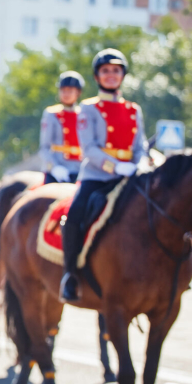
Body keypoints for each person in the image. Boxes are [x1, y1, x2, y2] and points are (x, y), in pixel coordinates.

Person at [60, 49, 147, 302]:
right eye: (105, 71)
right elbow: (89, 148)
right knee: (74, 214)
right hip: (98, 176)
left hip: (131, 176)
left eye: (116, 70)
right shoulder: (88, 109)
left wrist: (138, 164)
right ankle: (70, 274)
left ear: (123, 75)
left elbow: (140, 145)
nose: (111, 75)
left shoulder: (134, 109)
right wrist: (115, 166)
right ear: (97, 76)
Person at [40, 71, 85, 184]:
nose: (66, 94)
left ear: (78, 92)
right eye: (63, 90)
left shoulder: (84, 115)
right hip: (58, 170)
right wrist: (54, 168)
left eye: (70, 90)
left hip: (80, 170)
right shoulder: (52, 114)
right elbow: (45, 147)